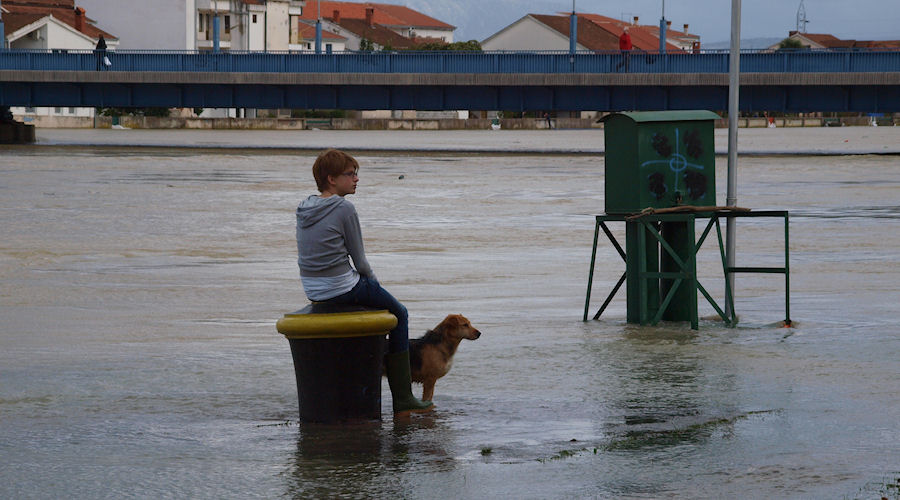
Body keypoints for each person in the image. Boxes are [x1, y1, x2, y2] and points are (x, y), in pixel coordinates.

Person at [296, 149, 433, 415]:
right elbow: (360, 262)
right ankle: (404, 397)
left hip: (312, 288)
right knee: (400, 313)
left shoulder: (304, 207)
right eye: (350, 174)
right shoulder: (344, 208)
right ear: (331, 179)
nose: (356, 179)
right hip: (342, 287)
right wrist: (375, 285)